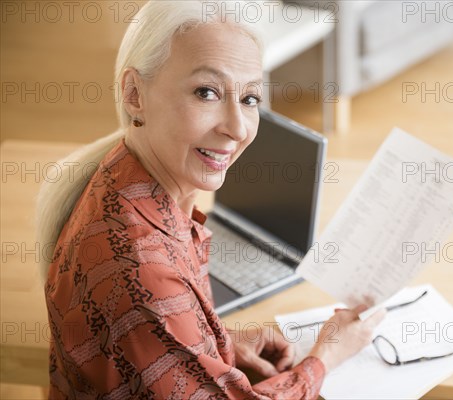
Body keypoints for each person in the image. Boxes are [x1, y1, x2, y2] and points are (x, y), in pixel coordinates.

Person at [37, 1, 386, 398]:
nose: (237, 128)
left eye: (250, 98)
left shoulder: (120, 178)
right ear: (134, 94)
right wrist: (326, 357)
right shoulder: (142, 268)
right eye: (206, 92)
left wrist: (213, 342)